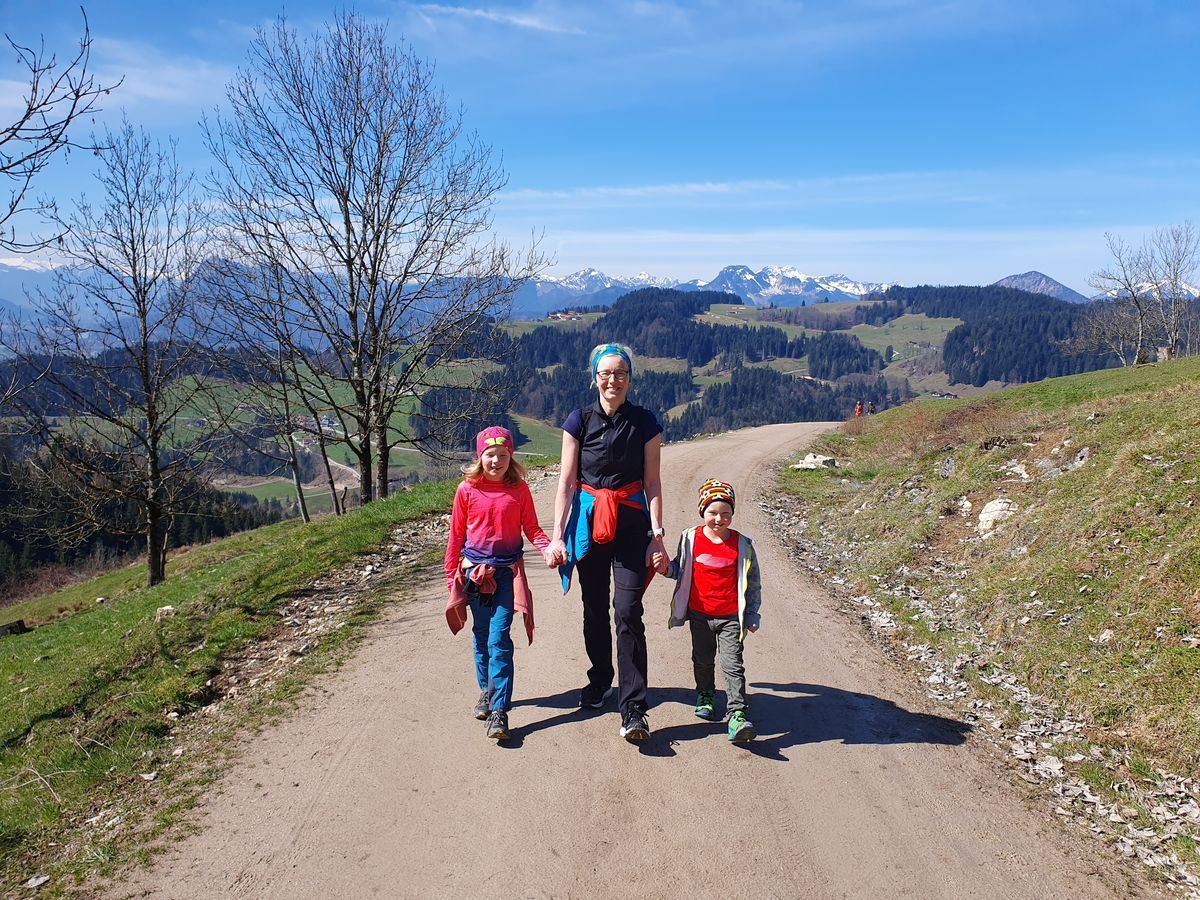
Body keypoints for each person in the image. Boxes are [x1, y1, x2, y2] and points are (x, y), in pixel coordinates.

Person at [545, 343, 665, 743]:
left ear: (630, 378)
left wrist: (658, 536)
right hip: (588, 523)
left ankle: (633, 708)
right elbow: (567, 482)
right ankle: (600, 679)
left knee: (628, 611)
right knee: (594, 607)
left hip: (631, 525)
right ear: (595, 377)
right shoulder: (578, 421)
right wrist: (557, 536)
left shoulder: (645, 422)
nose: (613, 380)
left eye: (621, 373)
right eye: (606, 373)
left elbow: (652, 482)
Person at [444, 426, 551, 741]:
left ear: (510, 456)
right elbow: (456, 536)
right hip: (474, 574)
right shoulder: (466, 489)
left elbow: (532, 528)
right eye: (490, 455)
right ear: (480, 457)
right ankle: (487, 691)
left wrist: (548, 549)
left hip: (507, 574)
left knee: (499, 637)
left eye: (503, 455)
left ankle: (500, 710)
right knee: (480, 634)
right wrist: (451, 577)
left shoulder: (519, 489)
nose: (496, 461)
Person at [653, 478, 762, 743]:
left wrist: (752, 614)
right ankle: (705, 694)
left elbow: (753, 582)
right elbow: (679, 570)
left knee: (732, 664)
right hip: (699, 615)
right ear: (702, 511)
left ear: (732, 514)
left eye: (726, 513)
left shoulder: (743, 545)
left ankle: (737, 714)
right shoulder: (690, 539)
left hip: (730, 617)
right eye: (713, 512)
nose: (719, 519)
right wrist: (664, 568)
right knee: (702, 660)